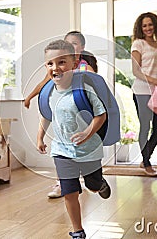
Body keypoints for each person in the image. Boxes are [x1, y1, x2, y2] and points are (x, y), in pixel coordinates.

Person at [36, 39, 110, 239]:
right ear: (46, 67)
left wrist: (87, 133)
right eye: (50, 63)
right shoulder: (48, 92)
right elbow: (46, 114)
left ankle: (99, 183)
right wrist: (40, 137)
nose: (55, 68)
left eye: (61, 62)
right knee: (69, 192)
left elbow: (101, 115)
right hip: (61, 150)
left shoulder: (84, 90)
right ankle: (78, 231)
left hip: (89, 150)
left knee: (92, 186)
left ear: (74, 64)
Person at [24, 31, 97, 199]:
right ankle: (62, 183)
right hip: (62, 120)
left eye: (75, 44)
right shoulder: (55, 69)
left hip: (81, 121)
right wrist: (29, 97)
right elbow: (44, 84)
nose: (70, 46)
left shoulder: (85, 67)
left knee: (83, 157)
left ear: (82, 48)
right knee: (62, 153)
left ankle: (92, 180)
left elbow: (96, 86)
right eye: (67, 43)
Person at [131, 12, 157, 177]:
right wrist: (154, 80)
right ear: (140, 28)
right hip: (141, 91)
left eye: (150, 24)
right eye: (144, 25)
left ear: (156, 26)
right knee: (145, 126)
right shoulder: (138, 44)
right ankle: (146, 163)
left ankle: (145, 158)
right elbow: (136, 71)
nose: (147, 28)